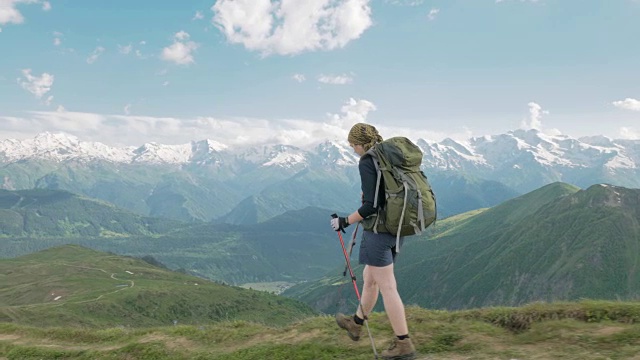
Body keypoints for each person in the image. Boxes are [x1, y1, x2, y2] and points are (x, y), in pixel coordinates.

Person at [330, 122, 416, 360]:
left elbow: (371, 206)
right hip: (397, 227)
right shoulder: (389, 157)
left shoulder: (368, 161)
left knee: (387, 286)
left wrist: (345, 221)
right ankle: (356, 324)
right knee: (370, 279)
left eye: (352, 145)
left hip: (379, 232)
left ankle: (404, 344)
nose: (353, 149)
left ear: (360, 143)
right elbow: (382, 195)